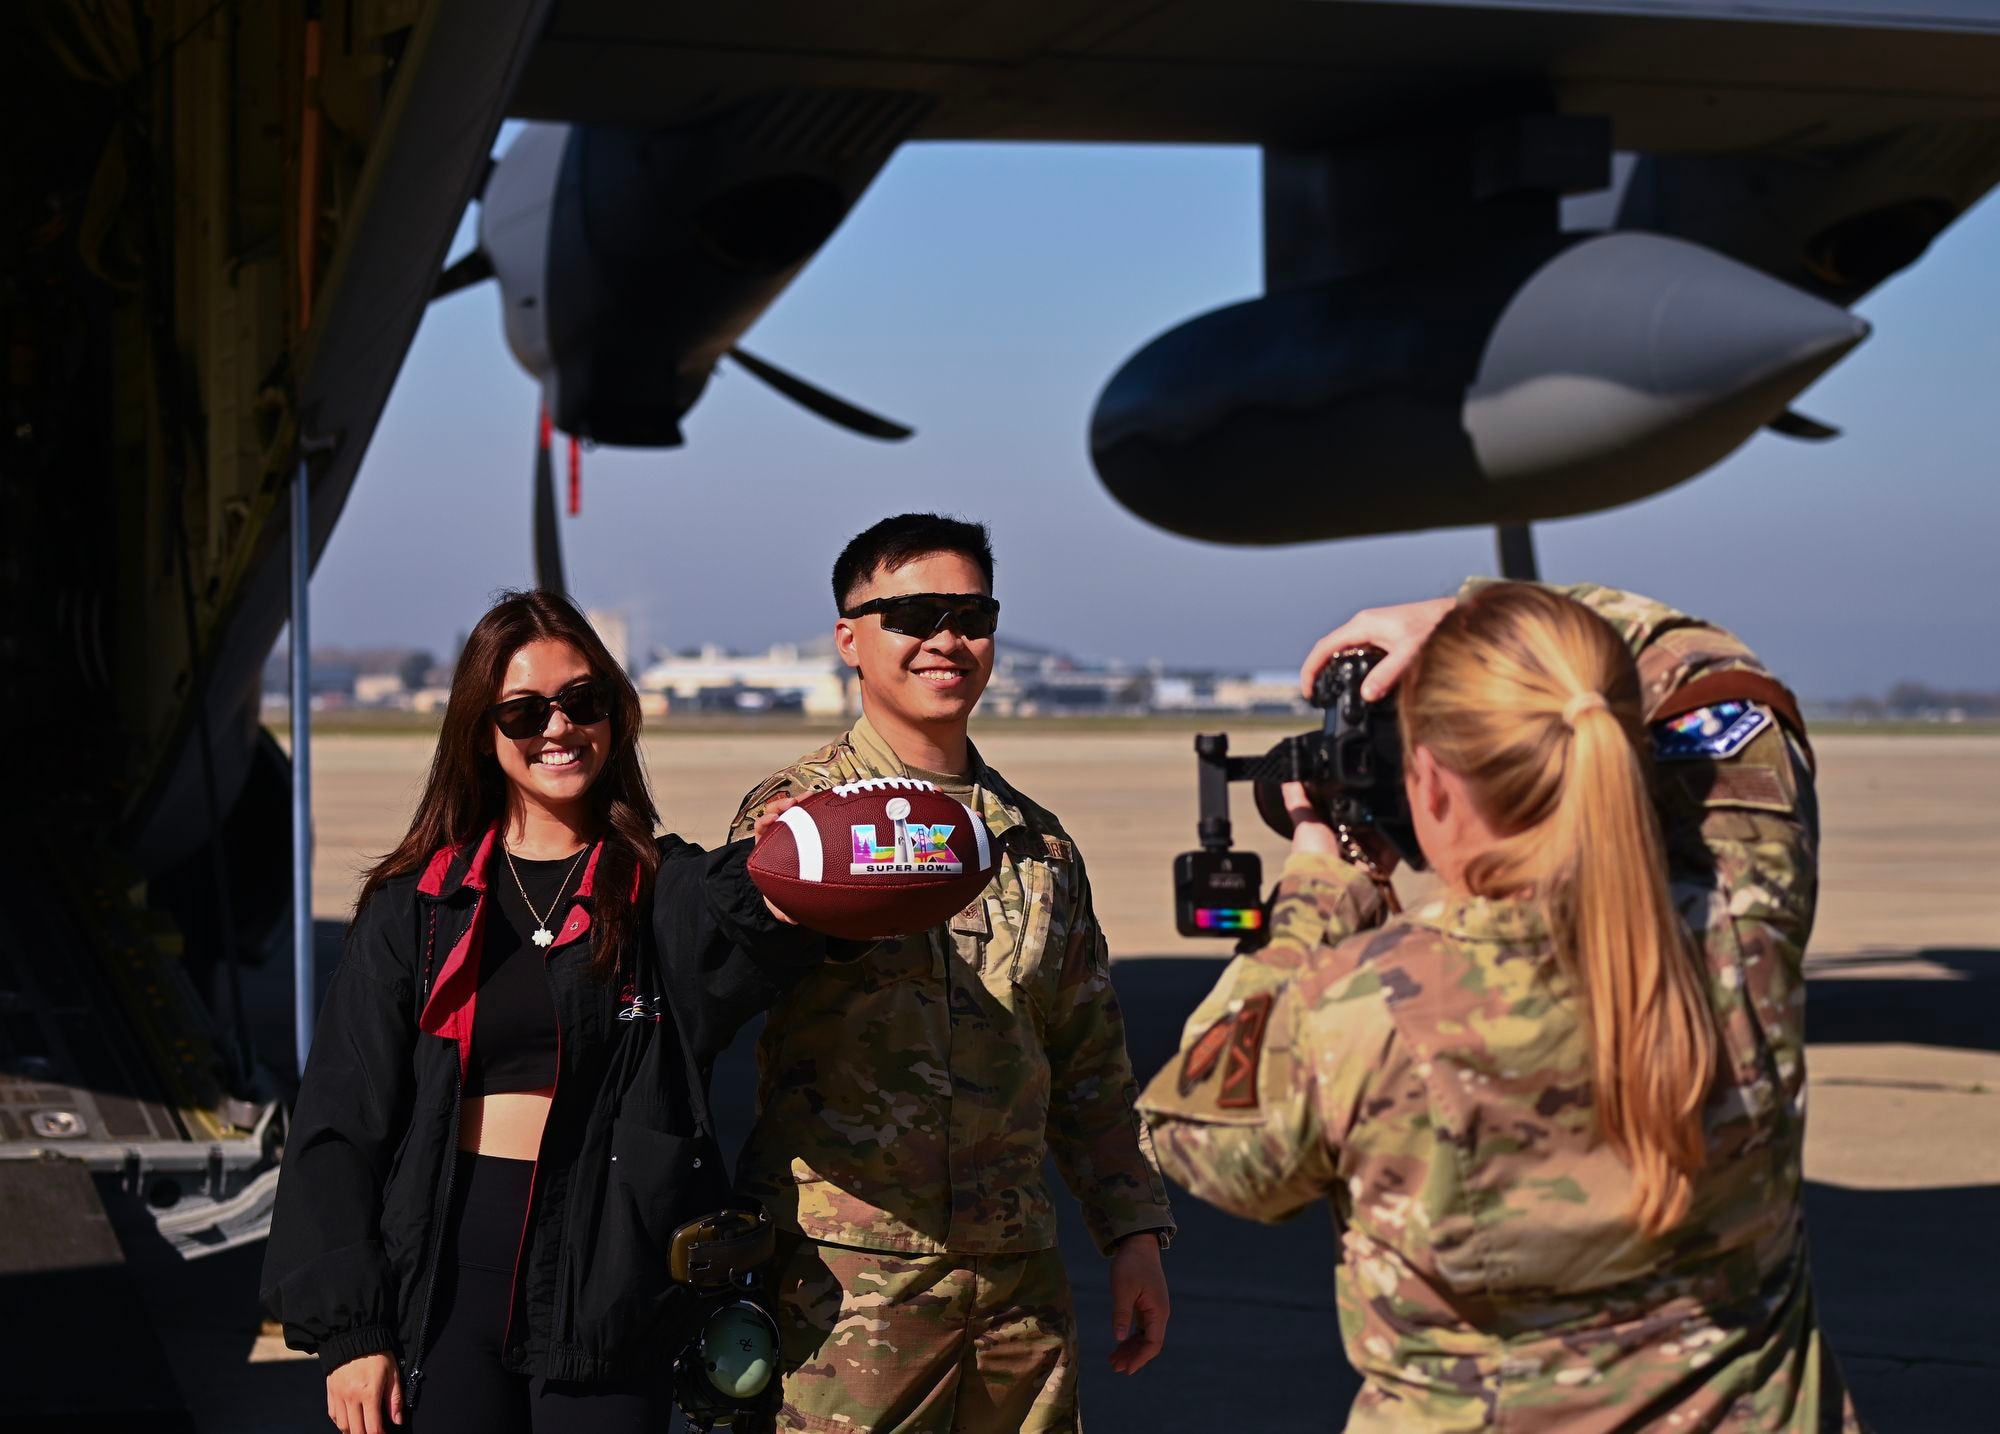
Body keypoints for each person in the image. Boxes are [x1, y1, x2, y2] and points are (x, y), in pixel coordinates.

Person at [1138, 579, 1865, 1431]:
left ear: (1432, 789)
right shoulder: (1743, 924)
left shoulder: (1357, 1010)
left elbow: (1200, 1137)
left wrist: (1321, 890)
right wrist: (1467, 615)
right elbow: (1717, 674)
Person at [261, 590, 840, 1434]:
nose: (558, 728)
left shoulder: (663, 890)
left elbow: (749, 925)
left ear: (615, 715)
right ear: (481, 732)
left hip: (610, 1284)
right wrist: (352, 1330)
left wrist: (802, 862)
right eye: (526, 711)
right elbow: (338, 1126)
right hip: (449, 1272)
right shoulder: (417, 907)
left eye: (583, 702)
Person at [727, 513, 1175, 1432]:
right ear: (849, 637)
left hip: (1015, 1281)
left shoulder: (1038, 843)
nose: (946, 639)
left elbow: (1088, 1057)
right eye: (914, 613)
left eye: (971, 614)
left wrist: (1133, 1233)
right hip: (848, 1283)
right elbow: (708, 1006)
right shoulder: (797, 826)